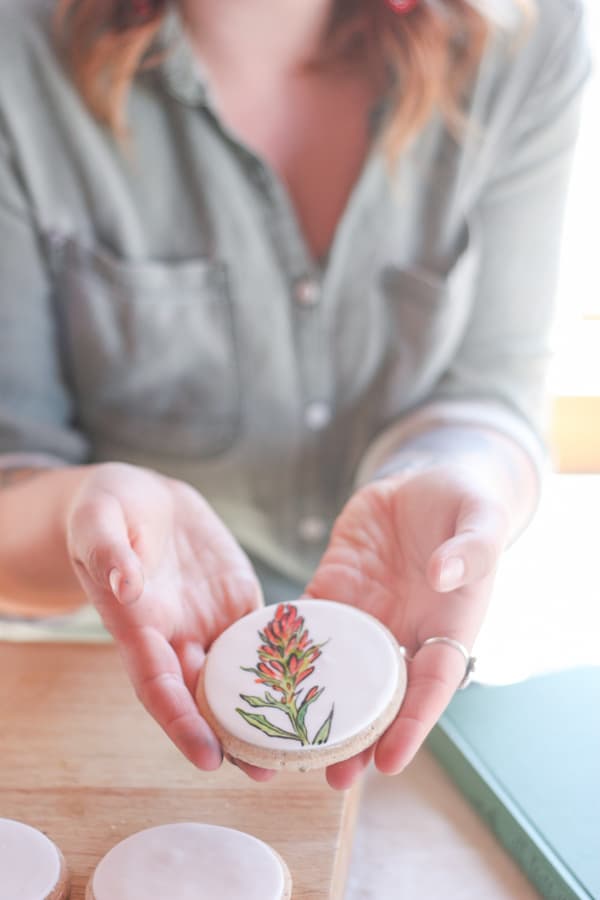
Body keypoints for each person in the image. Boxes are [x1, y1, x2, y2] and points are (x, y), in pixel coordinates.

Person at [0, 0, 588, 789]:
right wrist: (90, 515)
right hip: (100, 684)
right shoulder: (19, 55)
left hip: (409, 671)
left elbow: (491, 388)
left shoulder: (529, 32)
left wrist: (463, 481)